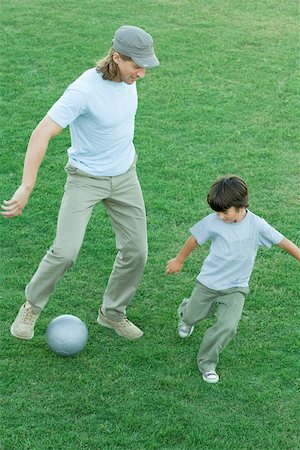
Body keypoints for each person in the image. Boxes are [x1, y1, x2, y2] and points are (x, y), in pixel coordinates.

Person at [2, 25, 159, 341]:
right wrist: (27, 185)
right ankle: (31, 307)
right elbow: (41, 133)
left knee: (137, 251)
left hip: (125, 175)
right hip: (86, 179)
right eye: (136, 66)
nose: (142, 73)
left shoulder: (129, 80)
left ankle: (112, 313)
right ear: (116, 57)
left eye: (145, 66)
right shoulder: (83, 90)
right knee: (65, 252)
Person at [166, 175, 300, 384]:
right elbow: (194, 239)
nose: (220, 216)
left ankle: (207, 362)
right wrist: (179, 260)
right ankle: (186, 314)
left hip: (235, 288)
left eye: (224, 211)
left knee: (228, 326)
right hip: (208, 284)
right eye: (217, 211)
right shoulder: (213, 222)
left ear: (240, 206)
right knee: (193, 315)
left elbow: (283, 242)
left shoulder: (257, 225)